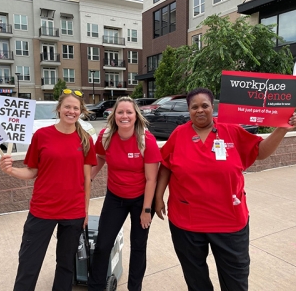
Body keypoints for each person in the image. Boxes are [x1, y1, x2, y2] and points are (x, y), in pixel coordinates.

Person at [155, 87, 296, 291]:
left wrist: (282, 128)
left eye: (205, 105)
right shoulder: (179, 134)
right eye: (194, 107)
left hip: (229, 222)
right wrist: (158, 198)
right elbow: (166, 165)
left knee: (235, 281)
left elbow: (261, 152)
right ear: (188, 110)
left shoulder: (231, 130)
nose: (200, 110)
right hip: (187, 221)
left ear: (213, 107)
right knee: (196, 279)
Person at [0, 89, 96, 291]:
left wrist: (85, 212)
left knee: (66, 265)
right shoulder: (42, 135)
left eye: (75, 108)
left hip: (73, 212)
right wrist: (11, 171)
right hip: (42, 210)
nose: (71, 111)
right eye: (67, 106)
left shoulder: (85, 139)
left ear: (81, 111)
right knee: (29, 263)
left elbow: (87, 179)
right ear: (59, 108)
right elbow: (32, 171)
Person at [88, 96, 161, 291]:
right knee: (103, 245)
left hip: (141, 199)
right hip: (115, 197)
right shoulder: (106, 136)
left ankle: (134, 288)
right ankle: (95, 287)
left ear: (136, 116)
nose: (124, 116)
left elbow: (151, 179)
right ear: (114, 115)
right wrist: (89, 178)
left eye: (129, 112)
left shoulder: (147, 140)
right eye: (120, 112)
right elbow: (100, 157)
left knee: (138, 246)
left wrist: (147, 209)